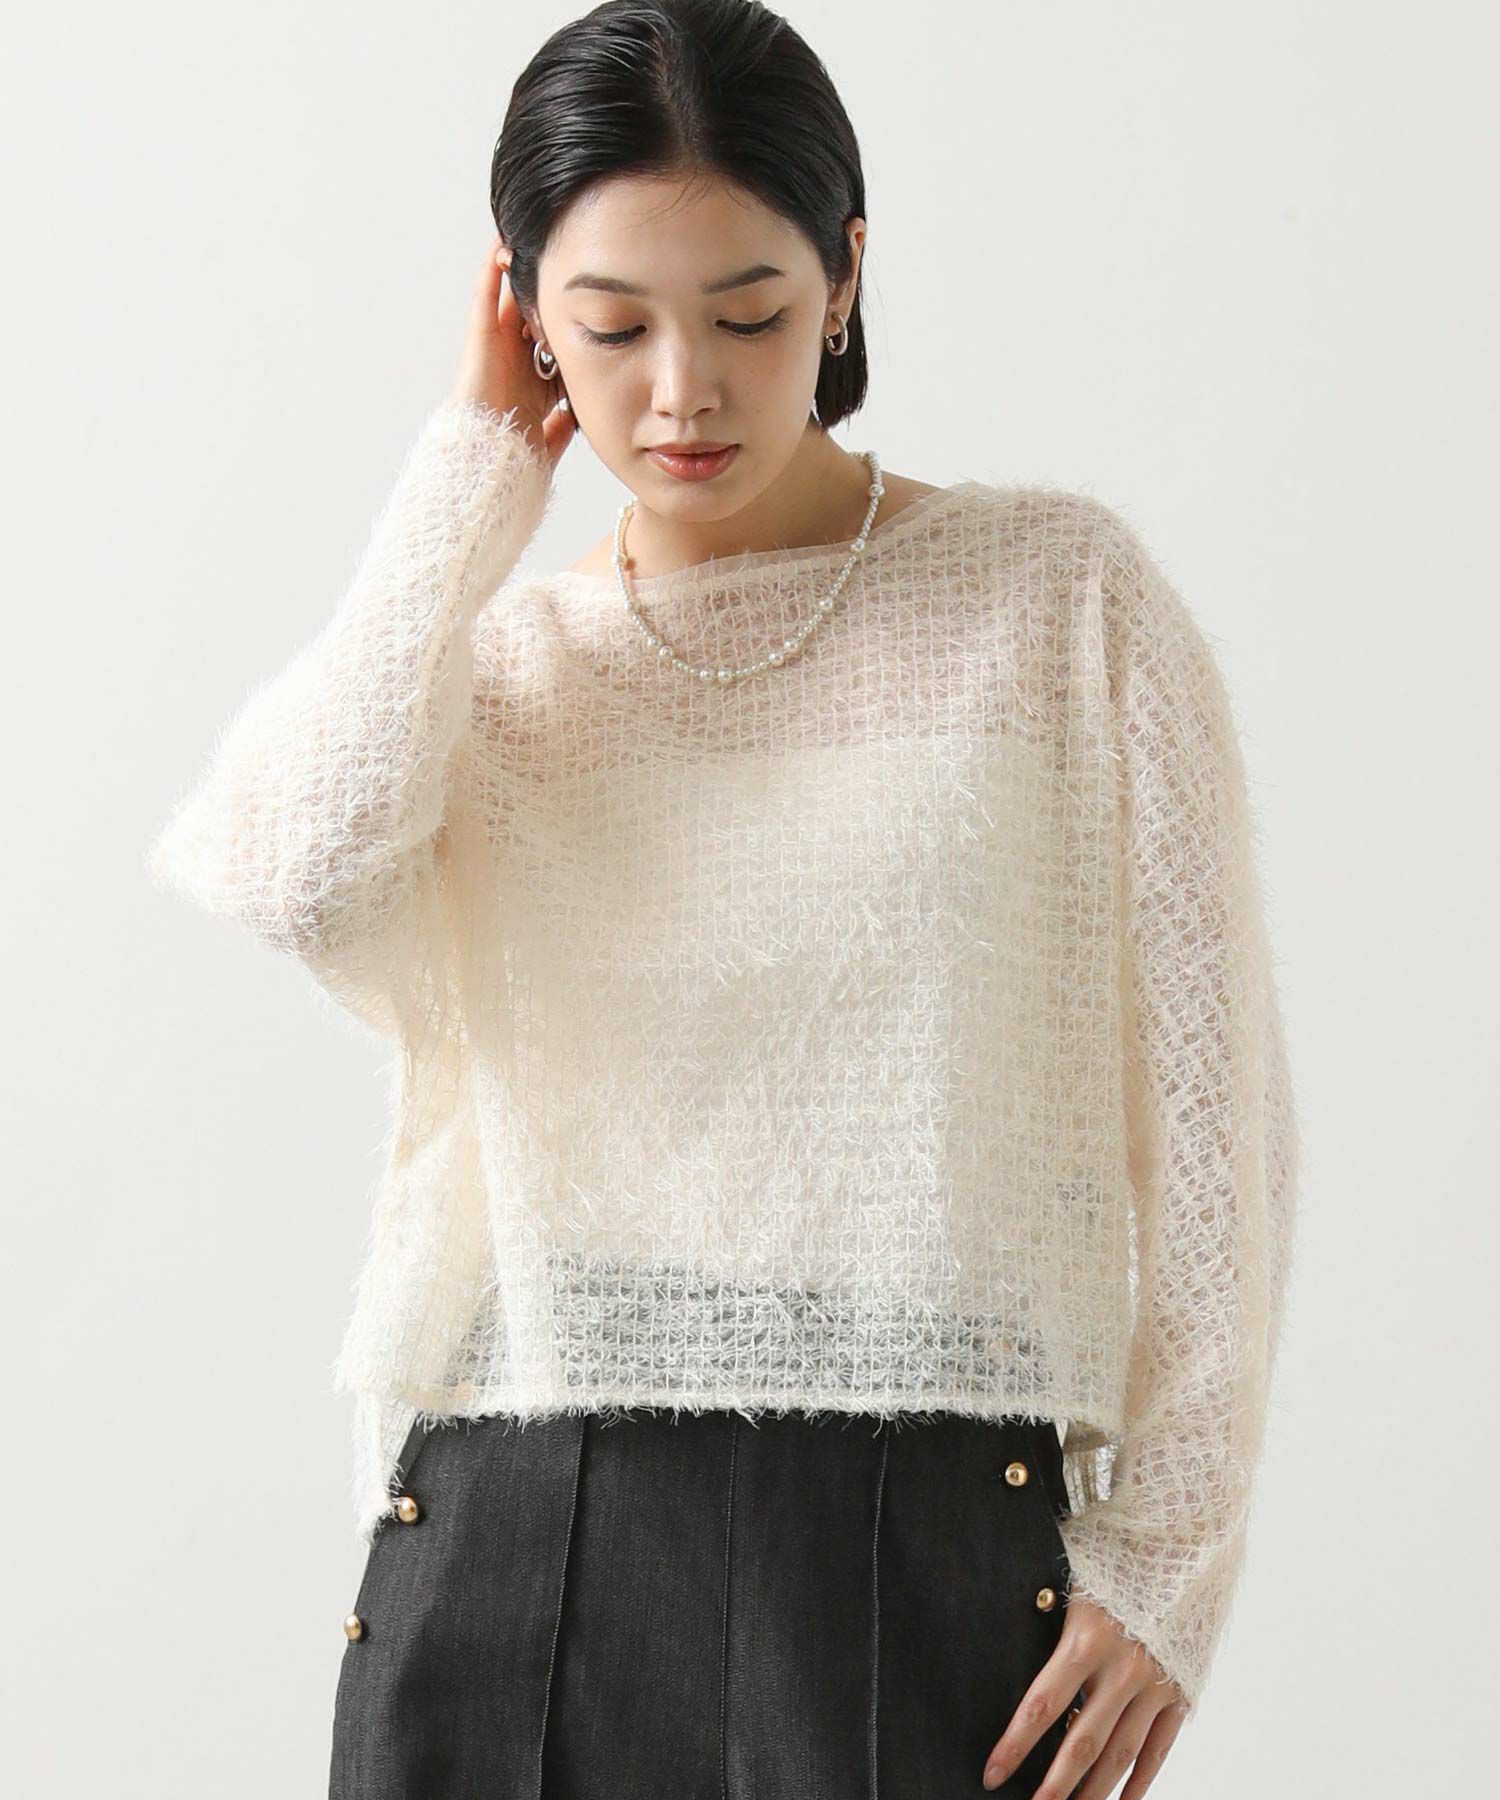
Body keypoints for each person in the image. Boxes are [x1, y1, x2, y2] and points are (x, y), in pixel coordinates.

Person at [145, 2, 1299, 1795]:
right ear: (525, 316)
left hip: (919, 1531)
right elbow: (287, 865)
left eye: (747, 315)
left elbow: (1219, 1129)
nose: (682, 389)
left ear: (844, 279)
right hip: (517, 1517)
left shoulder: (1058, 604)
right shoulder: (492, 669)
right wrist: (471, 476)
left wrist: (1170, 1559)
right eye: (611, 326)